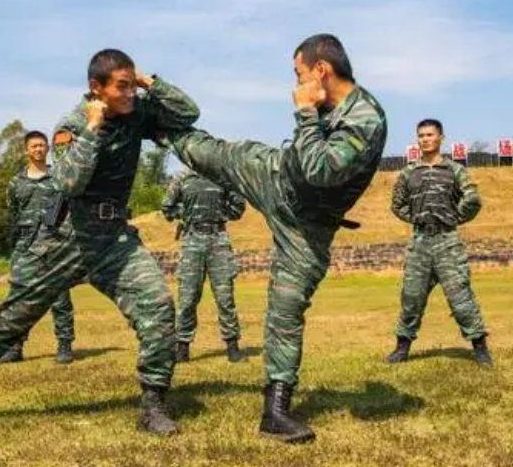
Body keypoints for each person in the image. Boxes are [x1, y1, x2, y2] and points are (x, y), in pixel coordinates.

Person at [0, 49, 198, 435]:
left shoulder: (137, 111)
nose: (129, 95)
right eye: (121, 87)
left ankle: (153, 404)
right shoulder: (71, 125)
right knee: (15, 315)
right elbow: (69, 183)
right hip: (70, 237)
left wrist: (147, 80)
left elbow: (188, 113)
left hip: (115, 239)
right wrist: (94, 129)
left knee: (158, 305)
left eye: (131, 85)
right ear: (96, 88)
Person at [161, 33, 386, 443]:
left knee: (286, 309)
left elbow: (320, 169)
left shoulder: (366, 119)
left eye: (298, 73)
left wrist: (304, 111)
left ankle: (275, 410)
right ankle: (152, 123)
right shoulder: (329, 107)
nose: (295, 83)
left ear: (321, 70)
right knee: (215, 153)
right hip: (275, 176)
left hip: (308, 227)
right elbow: (302, 161)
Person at [385, 119, 492, 367]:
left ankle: (480, 348)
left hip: (447, 242)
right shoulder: (409, 173)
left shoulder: (455, 171)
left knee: (461, 298)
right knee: (411, 298)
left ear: (441, 137)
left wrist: (455, 217)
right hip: (420, 242)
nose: (425, 139)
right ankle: (402, 348)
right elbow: (396, 204)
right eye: (421, 135)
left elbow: (473, 199)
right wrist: (415, 218)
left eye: (430, 134)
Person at [0, 130, 76, 365]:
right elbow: (13, 212)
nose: (39, 149)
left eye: (42, 145)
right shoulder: (16, 182)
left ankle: (64, 345)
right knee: (19, 297)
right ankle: (15, 346)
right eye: (34, 146)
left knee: (59, 296)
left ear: (48, 149)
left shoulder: (58, 177)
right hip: (25, 245)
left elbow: (70, 210)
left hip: (53, 243)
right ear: (26, 150)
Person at [161, 171, 247, 363]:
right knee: (188, 298)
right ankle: (182, 348)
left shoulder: (223, 178)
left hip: (218, 239)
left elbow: (239, 207)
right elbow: (166, 207)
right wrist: (185, 214)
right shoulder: (182, 179)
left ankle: (232, 347)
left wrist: (221, 214)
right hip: (192, 241)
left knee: (225, 298)